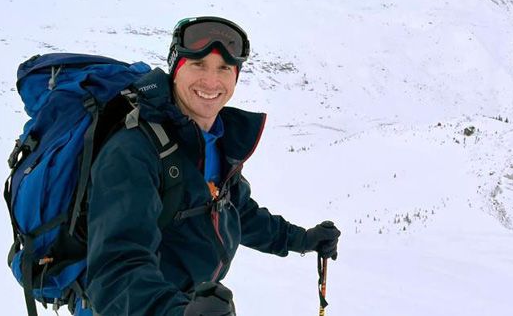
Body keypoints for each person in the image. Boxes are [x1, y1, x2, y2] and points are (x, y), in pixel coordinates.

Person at [80, 16, 340, 315]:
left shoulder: (214, 140)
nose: (211, 81)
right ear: (175, 70)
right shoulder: (133, 151)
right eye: (198, 65)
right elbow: (115, 270)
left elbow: (237, 211)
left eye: (224, 69)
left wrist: (302, 239)